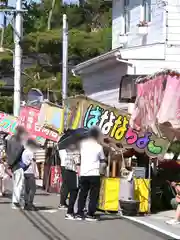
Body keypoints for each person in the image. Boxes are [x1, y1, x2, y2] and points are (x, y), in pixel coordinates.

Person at [76, 127, 105, 221]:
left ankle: (79, 213)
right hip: (94, 173)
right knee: (93, 195)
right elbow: (103, 162)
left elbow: (78, 158)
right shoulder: (99, 147)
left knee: (82, 194)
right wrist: (103, 171)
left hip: (84, 173)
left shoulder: (82, 145)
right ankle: (90, 214)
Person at [6, 126, 28, 209]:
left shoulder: (10, 139)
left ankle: (15, 201)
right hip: (18, 164)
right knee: (19, 183)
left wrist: (9, 164)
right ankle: (15, 202)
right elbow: (17, 153)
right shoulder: (19, 141)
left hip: (12, 164)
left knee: (15, 183)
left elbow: (7, 151)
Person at [21, 139, 39, 211]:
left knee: (27, 189)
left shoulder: (24, 151)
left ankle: (26, 204)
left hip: (25, 172)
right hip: (30, 172)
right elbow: (33, 163)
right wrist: (35, 173)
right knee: (33, 189)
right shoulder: (30, 152)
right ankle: (30, 204)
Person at [64, 144, 80, 220]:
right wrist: (80, 174)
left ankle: (71, 211)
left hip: (67, 171)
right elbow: (77, 163)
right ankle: (69, 212)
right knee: (74, 192)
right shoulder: (76, 149)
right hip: (74, 172)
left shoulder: (68, 147)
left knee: (72, 192)